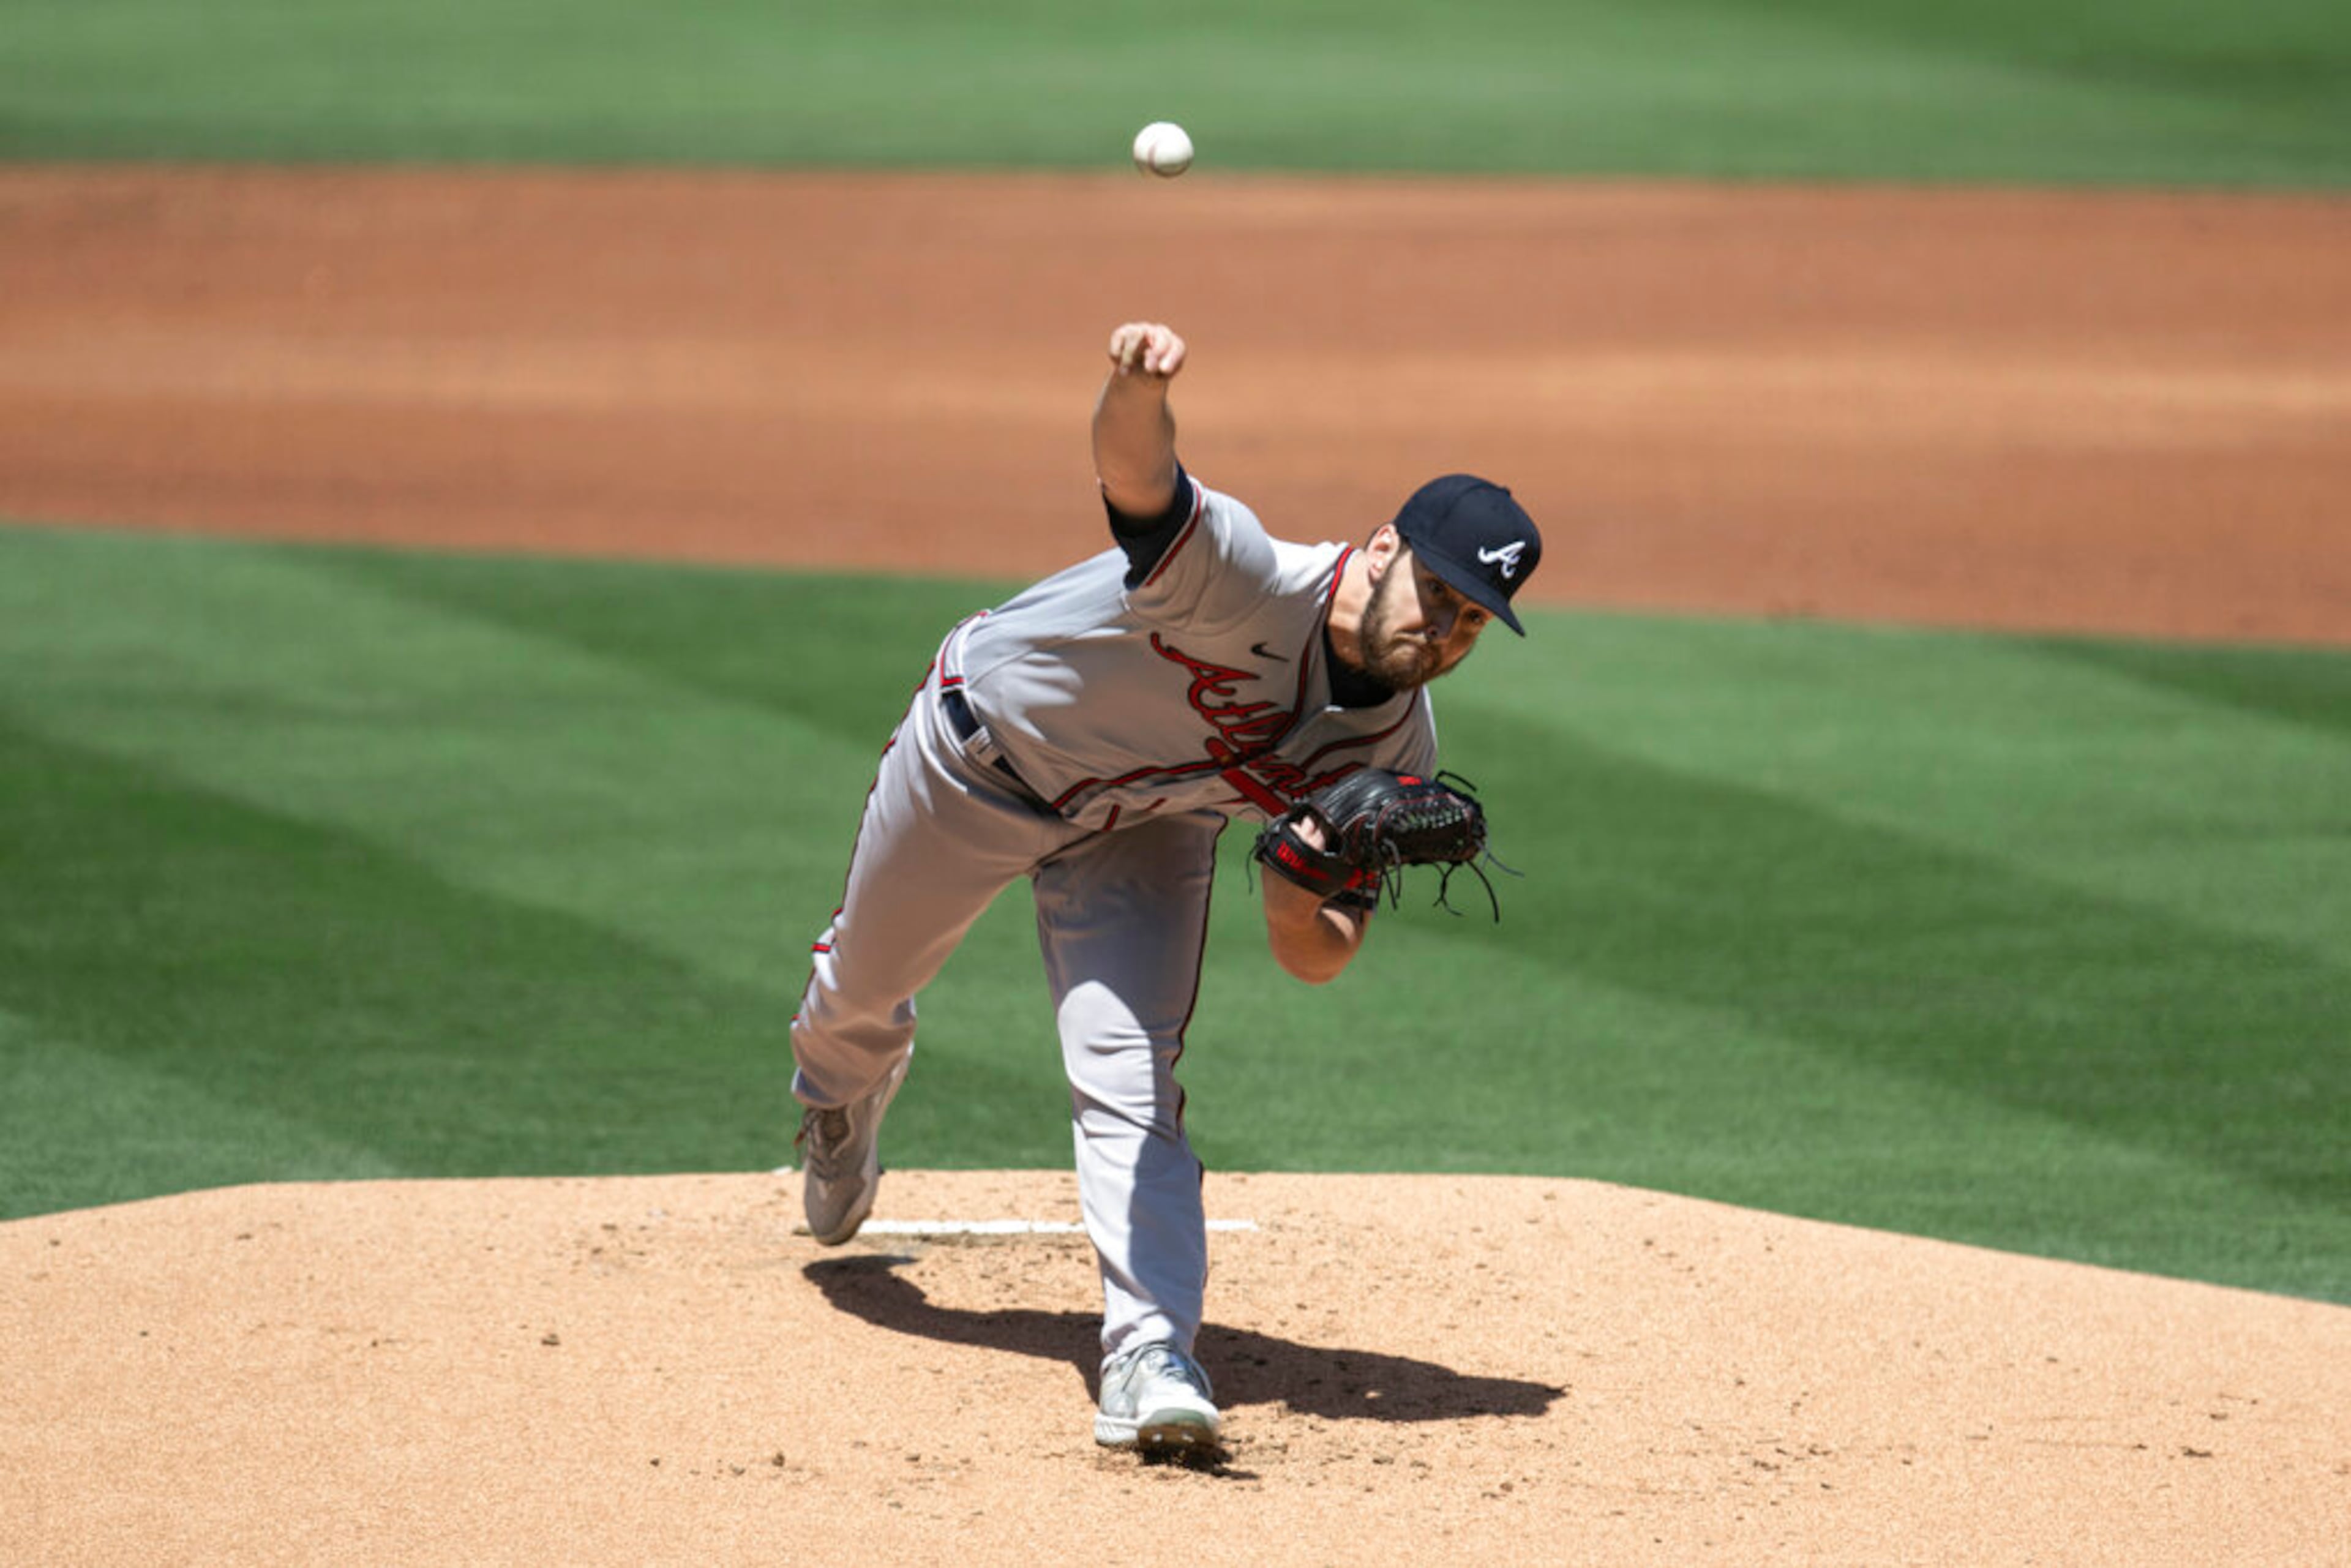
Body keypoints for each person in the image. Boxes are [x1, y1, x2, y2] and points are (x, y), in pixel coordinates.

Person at [791, 320, 1542, 1454]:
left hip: (1144, 829)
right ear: (1384, 548)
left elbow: (1316, 951)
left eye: (1472, 621)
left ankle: (1149, 1354)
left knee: (1134, 1075)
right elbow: (1136, 477)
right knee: (860, 993)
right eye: (1436, 595)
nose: (1443, 633)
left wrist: (1297, 875)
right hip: (979, 757)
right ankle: (839, 1094)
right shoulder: (1241, 575)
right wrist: (1134, 386)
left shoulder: (1395, 747)